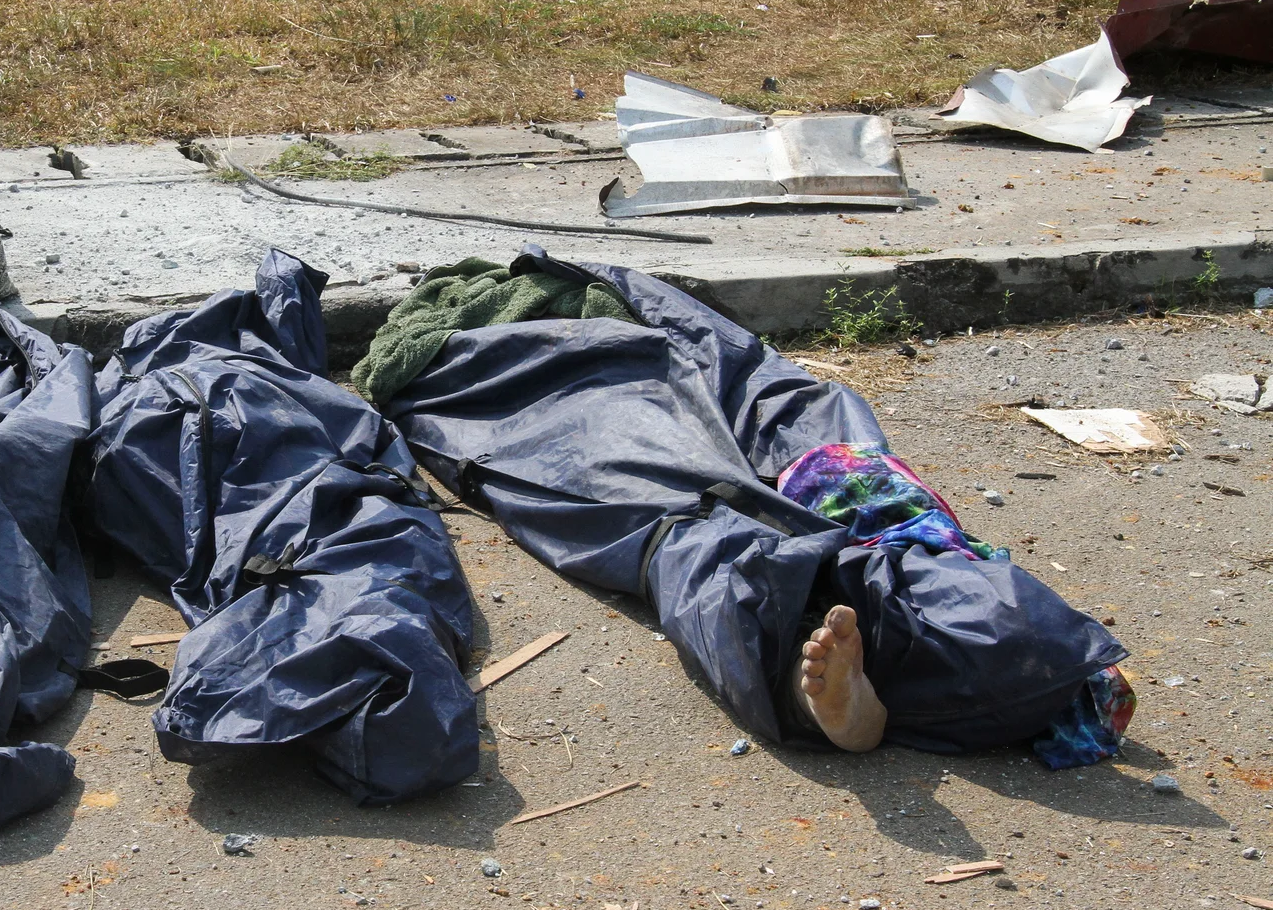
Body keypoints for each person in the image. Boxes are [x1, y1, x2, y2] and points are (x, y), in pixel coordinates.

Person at [362, 247, 1133, 764]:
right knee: (737, 475)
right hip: (583, 378)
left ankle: (842, 655)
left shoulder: (579, 296)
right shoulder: (496, 336)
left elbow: (703, 338)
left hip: (628, 374)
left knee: (698, 494)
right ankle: (961, 636)